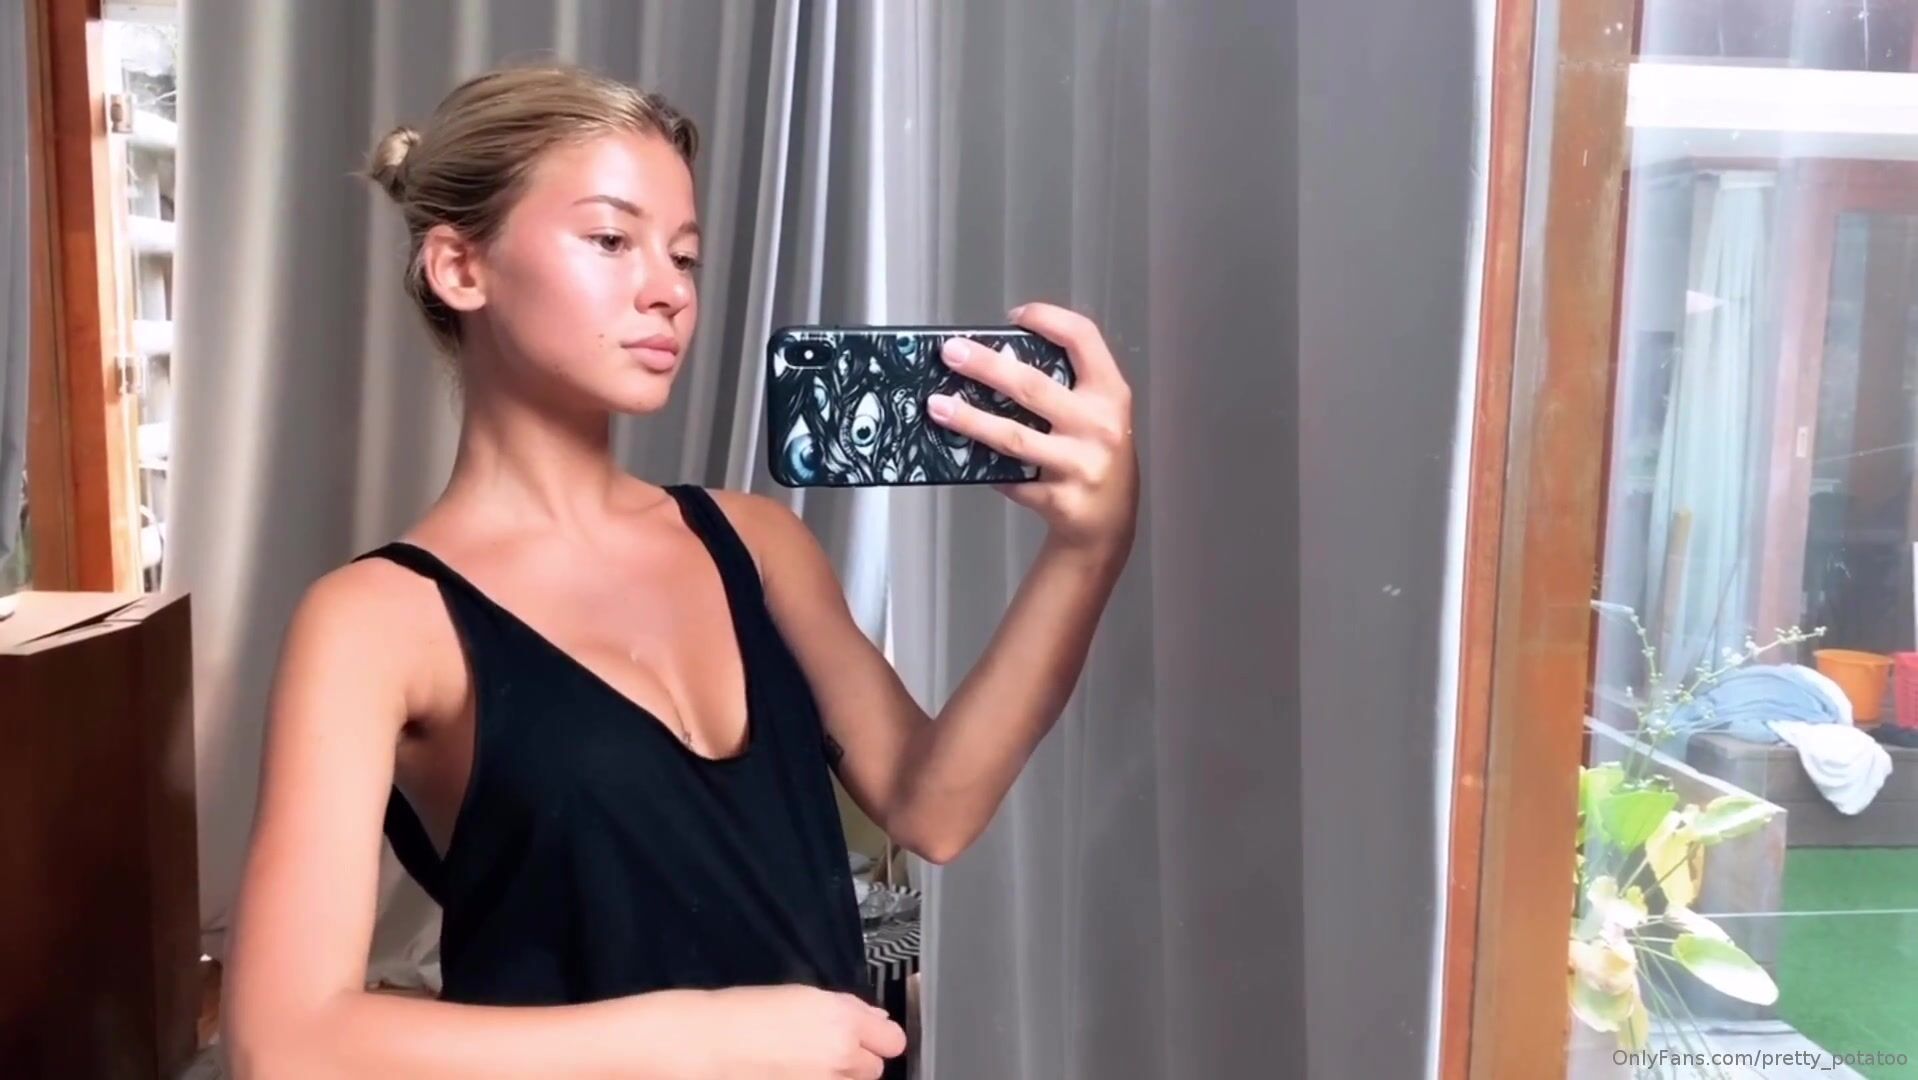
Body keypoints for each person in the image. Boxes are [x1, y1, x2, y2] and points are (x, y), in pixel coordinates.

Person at [222, 63, 1137, 1080]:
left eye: (684, 255)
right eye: (612, 240)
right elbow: (283, 1042)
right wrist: (709, 1036)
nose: (668, 290)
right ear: (460, 268)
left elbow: (934, 806)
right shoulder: (375, 621)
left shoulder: (757, 544)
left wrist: (1088, 547)